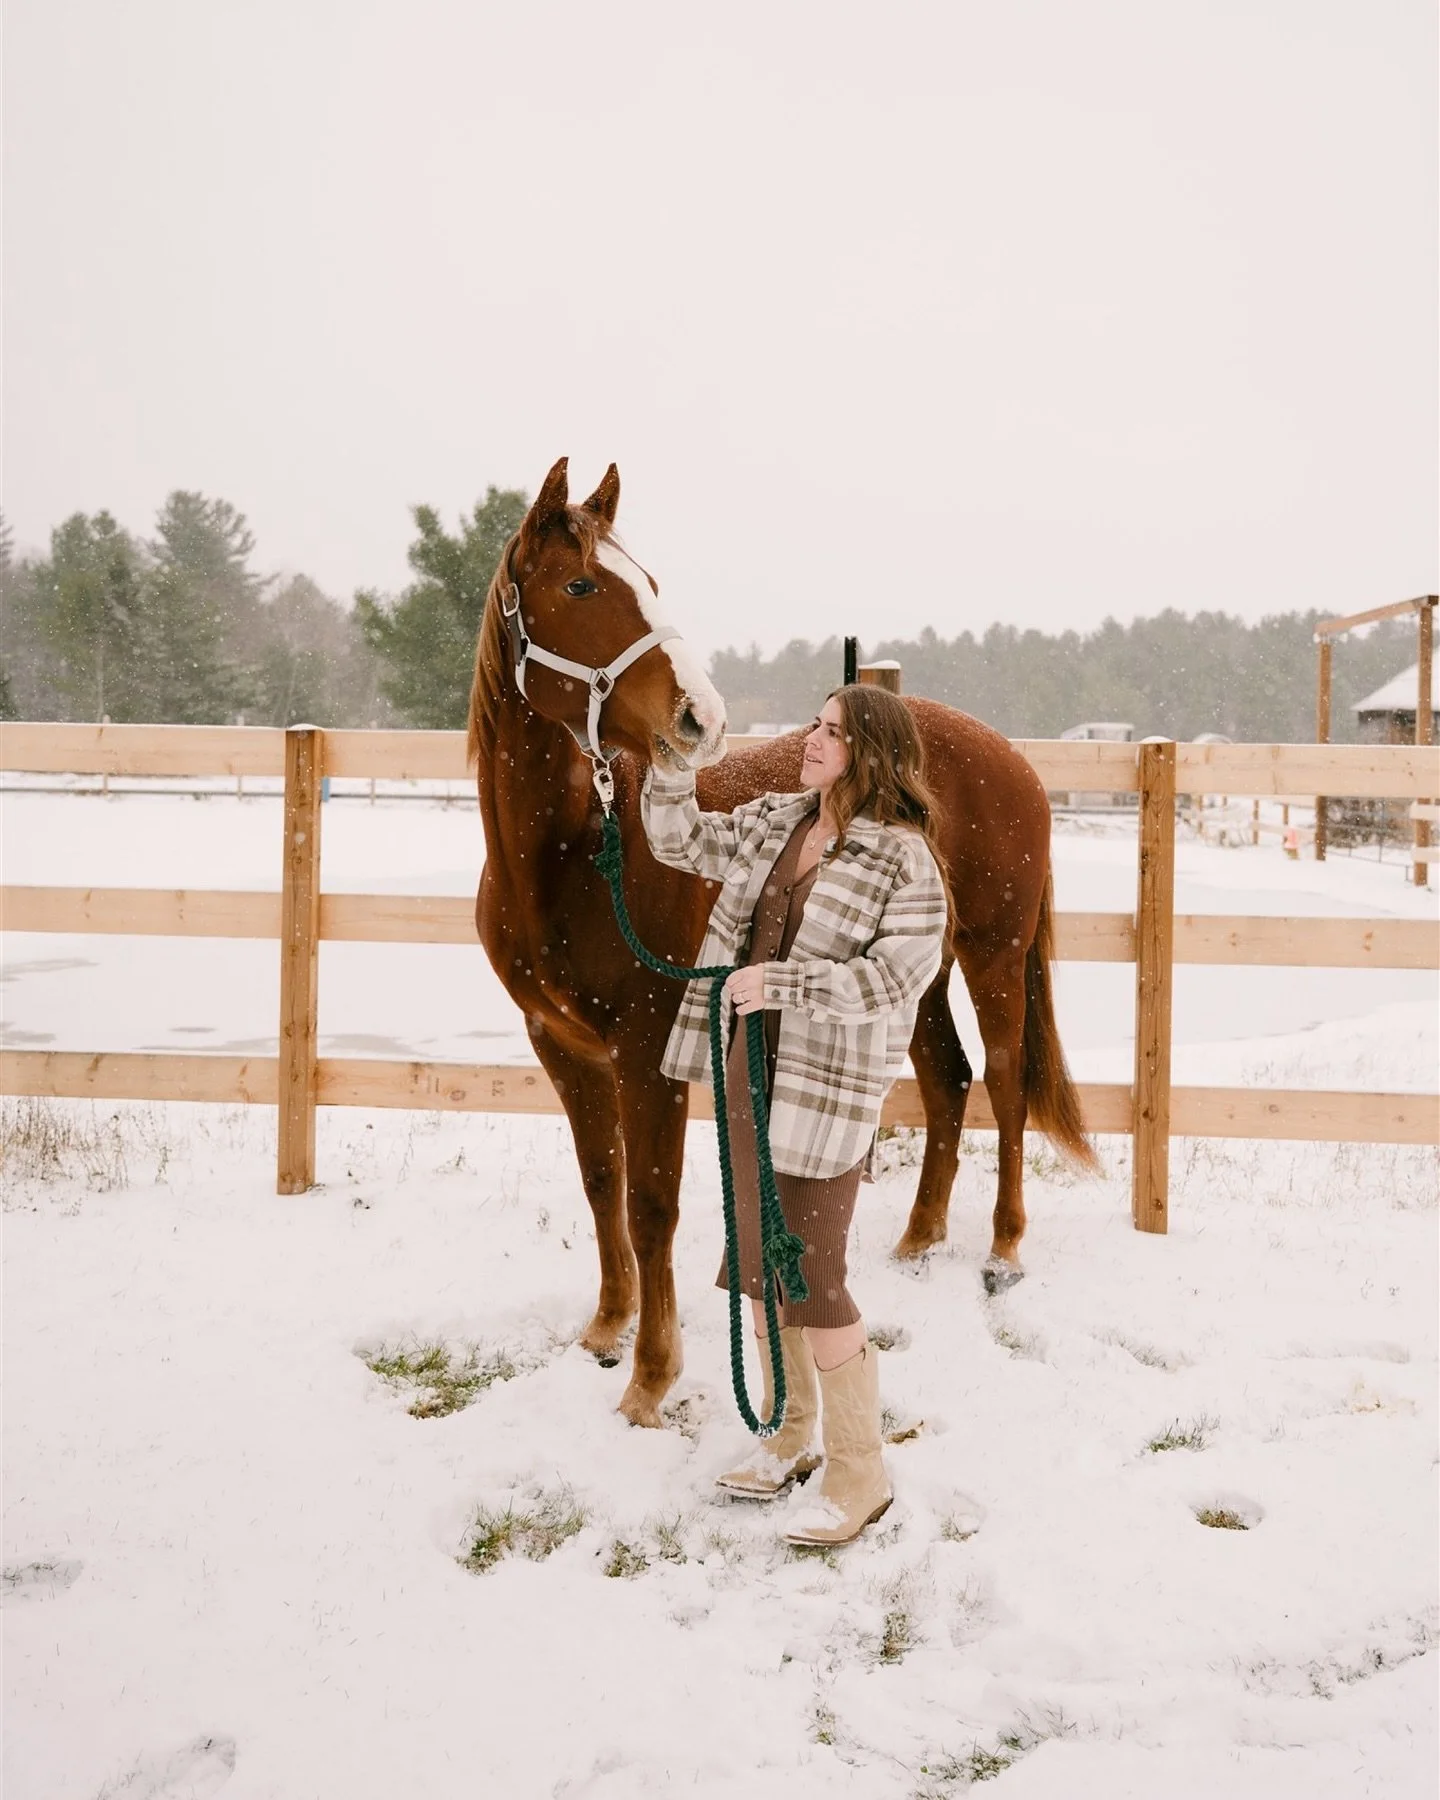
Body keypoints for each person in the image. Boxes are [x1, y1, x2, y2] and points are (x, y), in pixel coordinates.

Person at [641, 684, 949, 1546]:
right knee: (762, 1253)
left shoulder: (903, 859)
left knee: (814, 1270)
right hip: (748, 1066)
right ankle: (789, 1433)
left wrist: (784, 984)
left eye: (832, 732)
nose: (811, 741)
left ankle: (861, 1472)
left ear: (872, 754)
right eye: (815, 724)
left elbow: (896, 981)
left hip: (827, 1084)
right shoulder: (778, 822)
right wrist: (670, 757)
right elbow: (676, 838)